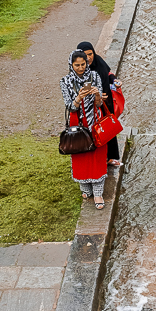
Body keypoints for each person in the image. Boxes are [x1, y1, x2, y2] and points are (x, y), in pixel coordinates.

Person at [60, 50, 107, 208]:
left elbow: (100, 105)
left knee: (97, 155)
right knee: (80, 154)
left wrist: (97, 96)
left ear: (87, 63)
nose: (80, 68)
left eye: (83, 64)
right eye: (77, 65)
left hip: (95, 121)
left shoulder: (95, 76)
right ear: (71, 65)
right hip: (77, 123)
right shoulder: (65, 81)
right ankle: (86, 188)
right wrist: (79, 98)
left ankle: (98, 193)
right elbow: (69, 106)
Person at [77, 40, 123, 168]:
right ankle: (97, 159)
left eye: (90, 54)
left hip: (106, 103)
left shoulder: (99, 61)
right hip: (91, 108)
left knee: (109, 128)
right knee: (95, 132)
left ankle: (110, 157)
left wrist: (114, 80)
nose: (89, 58)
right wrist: (95, 96)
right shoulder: (80, 71)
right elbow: (79, 92)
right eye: (85, 55)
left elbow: (108, 73)